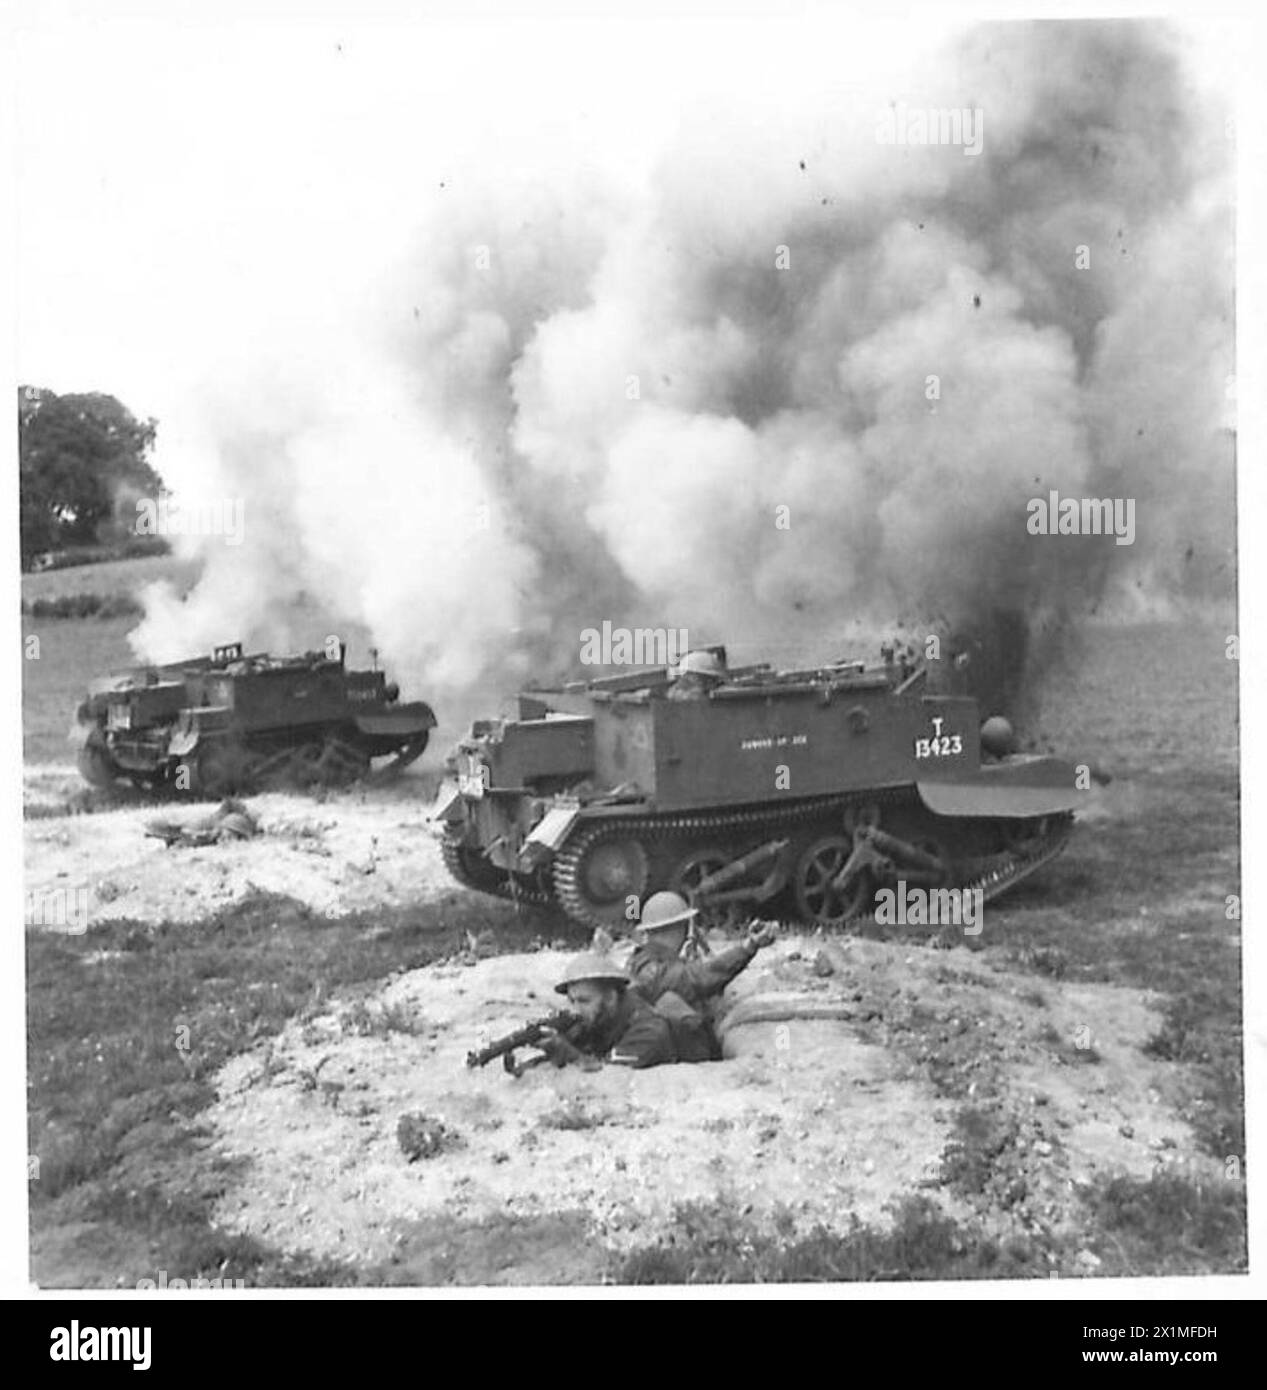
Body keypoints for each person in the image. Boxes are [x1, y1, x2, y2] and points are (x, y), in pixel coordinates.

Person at [626, 891, 777, 1056]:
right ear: (680, 927)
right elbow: (698, 977)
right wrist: (748, 946)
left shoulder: (647, 959)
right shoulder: (651, 971)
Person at [538, 952, 678, 1070]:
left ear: (611, 997)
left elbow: (609, 1077)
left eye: (584, 1001)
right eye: (572, 1001)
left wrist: (570, 1056)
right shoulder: (595, 1021)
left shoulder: (649, 1030)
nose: (576, 1010)